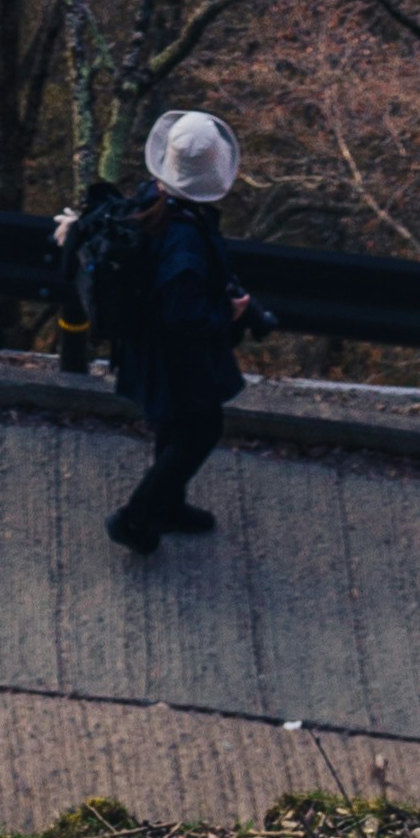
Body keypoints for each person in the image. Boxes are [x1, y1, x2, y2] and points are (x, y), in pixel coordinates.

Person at [73, 106, 270, 555]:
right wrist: (231, 315)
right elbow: (184, 312)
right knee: (201, 430)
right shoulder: (184, 237)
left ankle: (169, 505)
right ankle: (136, 518)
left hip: (148, 346)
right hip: (176, 353)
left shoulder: (151, 199)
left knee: (174, 424)